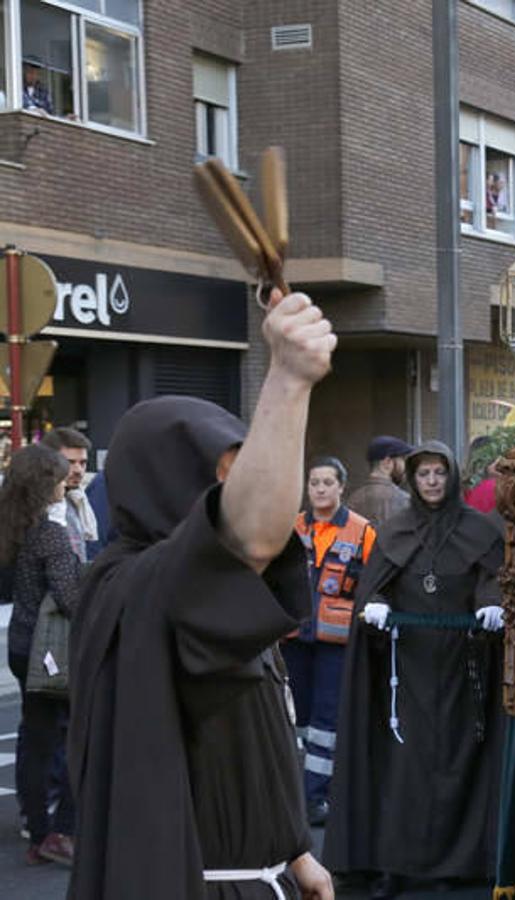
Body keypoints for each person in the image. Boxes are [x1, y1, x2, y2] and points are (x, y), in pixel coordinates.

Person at [67, 289, 335, 899]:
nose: (239, 488)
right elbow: (251, 536)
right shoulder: (137, 589)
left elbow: (245, 748)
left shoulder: (198, 589)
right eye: (223, 474)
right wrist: (289, 381)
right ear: (165, 478)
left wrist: (296, 853)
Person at [327, 441, 506, 899]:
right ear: (411, 477)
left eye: (439, 474)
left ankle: (462, 866)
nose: (431, 482)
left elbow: (493, 579)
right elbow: (375, 588)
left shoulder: (480, 530)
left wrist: (489, 605)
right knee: (404, 768)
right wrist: (378, 606)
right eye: (423, 473)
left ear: (453, 478)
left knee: (458, 763)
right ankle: (399, 866)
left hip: (463, 671)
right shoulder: (394, 531)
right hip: (405, 673)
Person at [283, 456, 376, 827]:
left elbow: (372, 585)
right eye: (314, 483)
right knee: (297, 718)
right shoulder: (292, 528)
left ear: (341, 487)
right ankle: (297, 790)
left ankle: (317, 795)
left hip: (336, 643)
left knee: (326, 720)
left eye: (326, 483)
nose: (319, 489)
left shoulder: (362, 531)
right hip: (294, 637)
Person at [0, 444, 79, 867]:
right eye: (60, 476)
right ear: (42, 483)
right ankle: (62, 831)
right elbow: (71, 596)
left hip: (21, 645)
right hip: (54, 651)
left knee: (36, 738)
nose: (66, 482)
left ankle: (36, 828)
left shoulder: (11, 526)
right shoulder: (49, 533)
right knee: (78, 738)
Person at [41, 426, 97, 563]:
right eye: (69, 462)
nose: (78, 470)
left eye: (83, 463)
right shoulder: (35, 504)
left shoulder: (77, 499)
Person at [346, 436, 413, 527]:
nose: (406, 467)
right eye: (403, 460)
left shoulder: (352, 501)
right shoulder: (405, 501)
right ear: (387, 462)